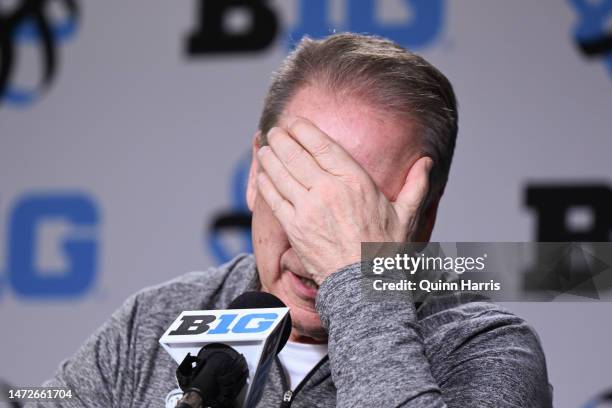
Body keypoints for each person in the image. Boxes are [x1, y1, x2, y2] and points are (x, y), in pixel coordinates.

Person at [30, 33, 553, 407]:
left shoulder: (485, 350)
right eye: (300, 191)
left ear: (424, 218)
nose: (312, 247)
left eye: (354, 213)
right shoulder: (149, 323)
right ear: (257, 175)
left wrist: (359, 284)